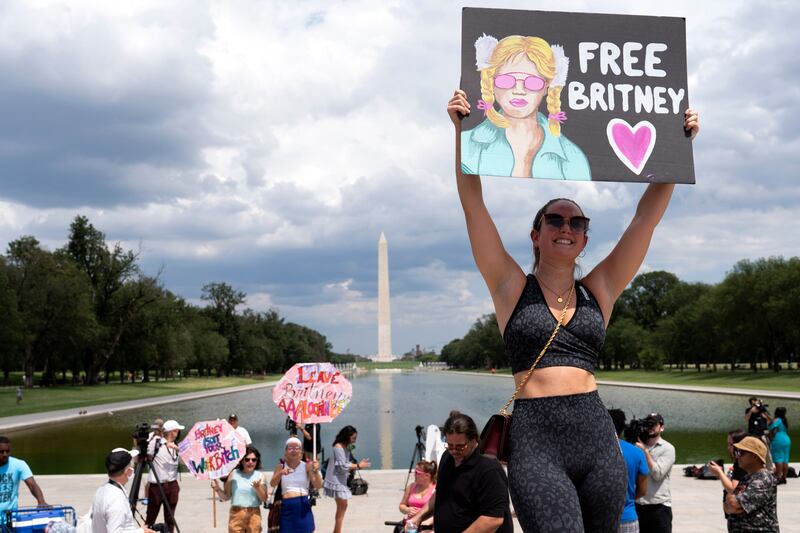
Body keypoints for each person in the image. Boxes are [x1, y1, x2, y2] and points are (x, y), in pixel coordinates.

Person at [446, 90, 699, 532]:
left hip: (596, 437)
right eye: (556, 221)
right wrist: (460, 133)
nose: (567, 228)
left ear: (584, 239)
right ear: (535, 234)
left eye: (577, 223)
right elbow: (474, 208)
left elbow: (645, 221)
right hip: (536, 440)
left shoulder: (598, 289)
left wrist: (679, 149)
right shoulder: (510, 286)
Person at [461, 34, 590, 180]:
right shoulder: (465, 144)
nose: (519, 90)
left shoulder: (573, 158)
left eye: (533, 82)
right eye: (506, 80)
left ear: (546, 87)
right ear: (491, 83)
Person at [406, 411, 511, 533]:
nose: (454, 451)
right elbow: (441, 494)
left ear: (473, 440)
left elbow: (493, 519)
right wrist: (418, 518)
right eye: (450, 445)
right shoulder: (447, 457)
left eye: (460, 447)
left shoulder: (489, 469)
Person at [91, 448, 156, 533]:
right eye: (132, 465)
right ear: (128, 471)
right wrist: (141, 531)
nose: (134, 466)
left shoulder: (101, 490)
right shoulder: (116, 499)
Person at [722, 436, 778, 532]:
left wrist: (733, 501)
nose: (737, 456)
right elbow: (726, 508)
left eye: (741, 452)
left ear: (755, 456)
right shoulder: (746, 478)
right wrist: (732, 501)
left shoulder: (764, 478)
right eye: (736, 452)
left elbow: (733, 505)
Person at [323, 426, 371, 533]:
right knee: (342, 505)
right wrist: (358, 465)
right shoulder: (338, 447)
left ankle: (337, 531)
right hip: (336, 479)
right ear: (347, 436)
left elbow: (346, 462)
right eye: (353, 438)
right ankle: (337, 531)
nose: (355, 440)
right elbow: (342, 466)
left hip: (341, 479)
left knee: (342, 506)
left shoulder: (346, 447)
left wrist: (357, 464)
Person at [269, 437, 322, 533]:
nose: (293, 451)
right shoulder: (280, 466)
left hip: (302, 505)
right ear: (285, 451)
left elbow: (318, 485)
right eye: (290, 448)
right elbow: (272, 483)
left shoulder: (306, 466)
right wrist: (280, 473)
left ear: (301, 451)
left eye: (297, 448)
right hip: (286, 507)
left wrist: (316, 471)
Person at [635, 413, 676, 533]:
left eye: (654, 424)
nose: (651, 427)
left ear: (662, 427)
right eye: (648, 424)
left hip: (658, 507)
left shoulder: (668, 448)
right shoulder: (636, 446)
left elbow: (658, 474)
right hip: (638, 505)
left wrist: (645, 453)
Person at [608, 410, 649, 533]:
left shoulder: (592, 451)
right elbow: (642, 490)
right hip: (628, 516)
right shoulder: (636, 452)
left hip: (599, 518)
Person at [212, 445, 268, 533]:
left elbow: (264, 498)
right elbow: (226, 496)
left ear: (257, 461)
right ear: (242, 460)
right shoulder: (233, 474)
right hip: (236, 514)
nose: (250, 462)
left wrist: (258, 488)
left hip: (254, 514)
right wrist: (217, 489)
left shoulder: (260, 476)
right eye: (247, 459)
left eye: (254, 460)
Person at [145, 419, 183, 532]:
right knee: (150, 518)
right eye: (177, 431)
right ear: (173, 432)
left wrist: (178, 449)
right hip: (156, 487)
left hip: (172, 486)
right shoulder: (156, 443)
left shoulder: (176, 446)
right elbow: (143, 449)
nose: (178, 434)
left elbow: (185, 462)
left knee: (170, 519)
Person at [0, 436, 47, 517]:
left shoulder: (19, 464)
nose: (5, 454)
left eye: (8, 451)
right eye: (1, 451)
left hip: (10, 517)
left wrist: (41, 501)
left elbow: (32, 484)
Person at [707, 429, 748, 519]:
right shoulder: (739, 463)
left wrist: (720, 473)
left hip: (739, 517)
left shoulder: (741, 464)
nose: (728, 447)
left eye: (730, 444)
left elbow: (732, 489)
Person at [397, 460, 436, 531]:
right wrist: (407, 510)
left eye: (417, 473)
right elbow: (401, 505)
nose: (414, 475)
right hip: (411, 525)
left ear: (427, 475)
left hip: (428, 525)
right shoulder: (411, 487)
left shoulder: (435, 490)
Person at [765, 407, 791, 484]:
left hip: (778, 440)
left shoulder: (777, 420)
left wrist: (769, 437)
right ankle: (784, 478)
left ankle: (778, 477)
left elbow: (774, 431)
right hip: (786, 439)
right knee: (785, 460)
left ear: (776, 412)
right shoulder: (784, 420)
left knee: (778, 459)